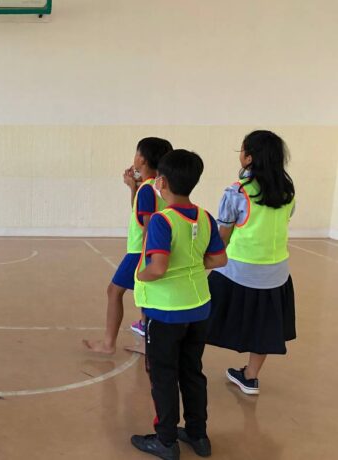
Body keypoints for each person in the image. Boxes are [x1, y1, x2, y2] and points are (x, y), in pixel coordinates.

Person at [130, 150, 228, 460]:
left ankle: (166, 440)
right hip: (199, 308)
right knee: (192, 372)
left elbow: (158, 267)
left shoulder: (163, 220)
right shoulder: (204, 216)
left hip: (166, 312)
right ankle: (198, 435)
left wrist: (141, 277)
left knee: (163, 375)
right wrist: (191, 264)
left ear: (161, 181)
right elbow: (219, 258)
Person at [206, 130, 296, 396]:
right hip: (276, 274)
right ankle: (250, 376)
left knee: (200, 314)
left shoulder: (237, 191)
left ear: (250, 158)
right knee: (265, 326)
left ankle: (183, 363)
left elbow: (223, 236)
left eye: (242, 150)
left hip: (236, 271)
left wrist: (205, 260)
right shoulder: (288, 192)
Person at [83, 137, 172, 354]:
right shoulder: (158, 186)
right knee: (146, 295)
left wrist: (145, 257)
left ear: (141, 158)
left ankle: (108, 343)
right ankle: (146, 343)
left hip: (139, 251)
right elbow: (140, 212)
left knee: (114, 291)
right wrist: (133, 187)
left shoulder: (147, 190)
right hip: (148, 250)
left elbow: (148, 224)